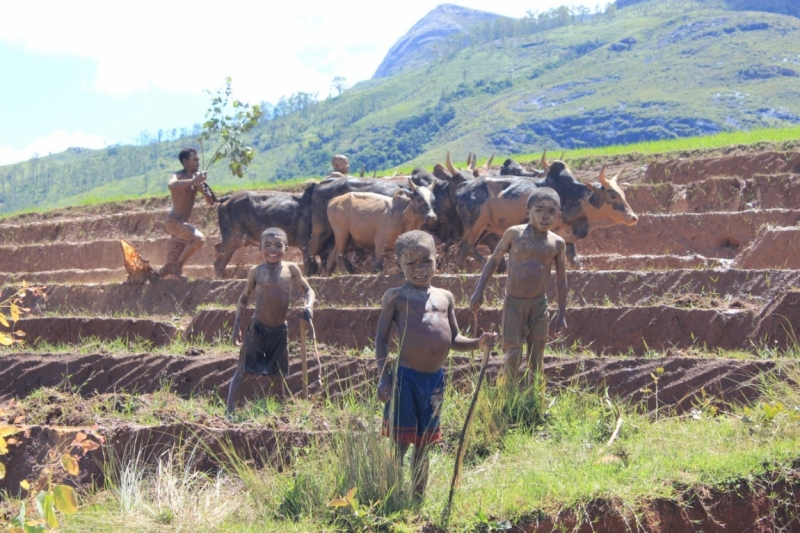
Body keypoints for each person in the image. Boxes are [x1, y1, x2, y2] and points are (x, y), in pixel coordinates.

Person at [375, 230, 495, 503]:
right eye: (411, 264)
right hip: (405, 379)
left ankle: (417, 500)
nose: (419, 269)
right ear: (399, 266)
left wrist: (478, 343)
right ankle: (391, 497)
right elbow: (381, 339)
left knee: (424, 445)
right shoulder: (395, 297)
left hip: (434, 382)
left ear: (436, 260)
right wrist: (384, 378)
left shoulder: (445, 297)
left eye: (425, 261)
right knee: (400, 444)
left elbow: (453, 339)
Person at [470, 187, 567, 391]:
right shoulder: (514, 234)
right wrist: (479, 292)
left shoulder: (557, 243)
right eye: (539, 209)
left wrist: (561, 314)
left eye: (551, 211)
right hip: (514, 304)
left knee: (536, 360)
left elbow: (561, 280)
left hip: (539, 306)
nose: (545, 216)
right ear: (527, 211)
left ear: (558, 215)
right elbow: (493, 262)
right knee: (512, 358)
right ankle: (507, 400)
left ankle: (534, 404)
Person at [226, 227, 315, 417]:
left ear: (286, 247)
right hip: (257, 328)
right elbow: (243, 299)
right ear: (260, 248)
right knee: (242, 370)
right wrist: (236, 328)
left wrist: (309, 306)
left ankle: (278, 411)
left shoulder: (291, 269)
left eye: (277, 245)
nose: (272, 249)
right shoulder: (256, 272)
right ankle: (229, 410)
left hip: (279, 331)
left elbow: (309, 291)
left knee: (278, 374)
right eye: (267, 245)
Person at [158, 148, 214, 278]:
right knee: (199, 239)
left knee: (167, 267)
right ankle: (178, 267)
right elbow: (172, 185)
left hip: (182, 224)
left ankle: (152, 279)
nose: (198, 162)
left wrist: (204, 191)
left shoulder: (197, 178)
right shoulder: (176, 176)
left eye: (198, 160)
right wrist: (194, 181)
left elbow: (210, 202)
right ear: (185, 161)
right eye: (195, 160)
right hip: (174, 222)